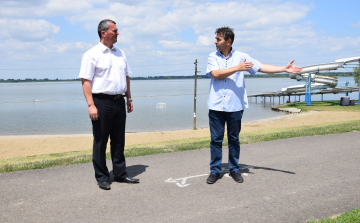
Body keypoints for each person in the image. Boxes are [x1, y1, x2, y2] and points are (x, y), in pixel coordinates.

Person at [206, 26, 302, 184]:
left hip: (235, 106)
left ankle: (234, 169)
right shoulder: (212, 57)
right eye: (216, 38)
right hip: (216, 106)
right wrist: (238, 68)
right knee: (216, 140)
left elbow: (261, 67)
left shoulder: (242, 56)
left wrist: (283, 69)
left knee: (233, 139)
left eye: (218, 39)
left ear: (228, 41)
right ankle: (215, 171)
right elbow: (216, 74)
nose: (215, 41)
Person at [79, 19, 139, 190]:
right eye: (115, 30)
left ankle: (120, 174)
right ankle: (102, 177)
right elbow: (86, 81)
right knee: (100, 140)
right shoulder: (91, 54)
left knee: (119, 140)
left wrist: (129, 98)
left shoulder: (120, 53)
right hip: (101, 102)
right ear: (103, 33)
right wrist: (91, 105)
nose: (118, 33)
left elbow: (126, 77)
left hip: (119, 101)